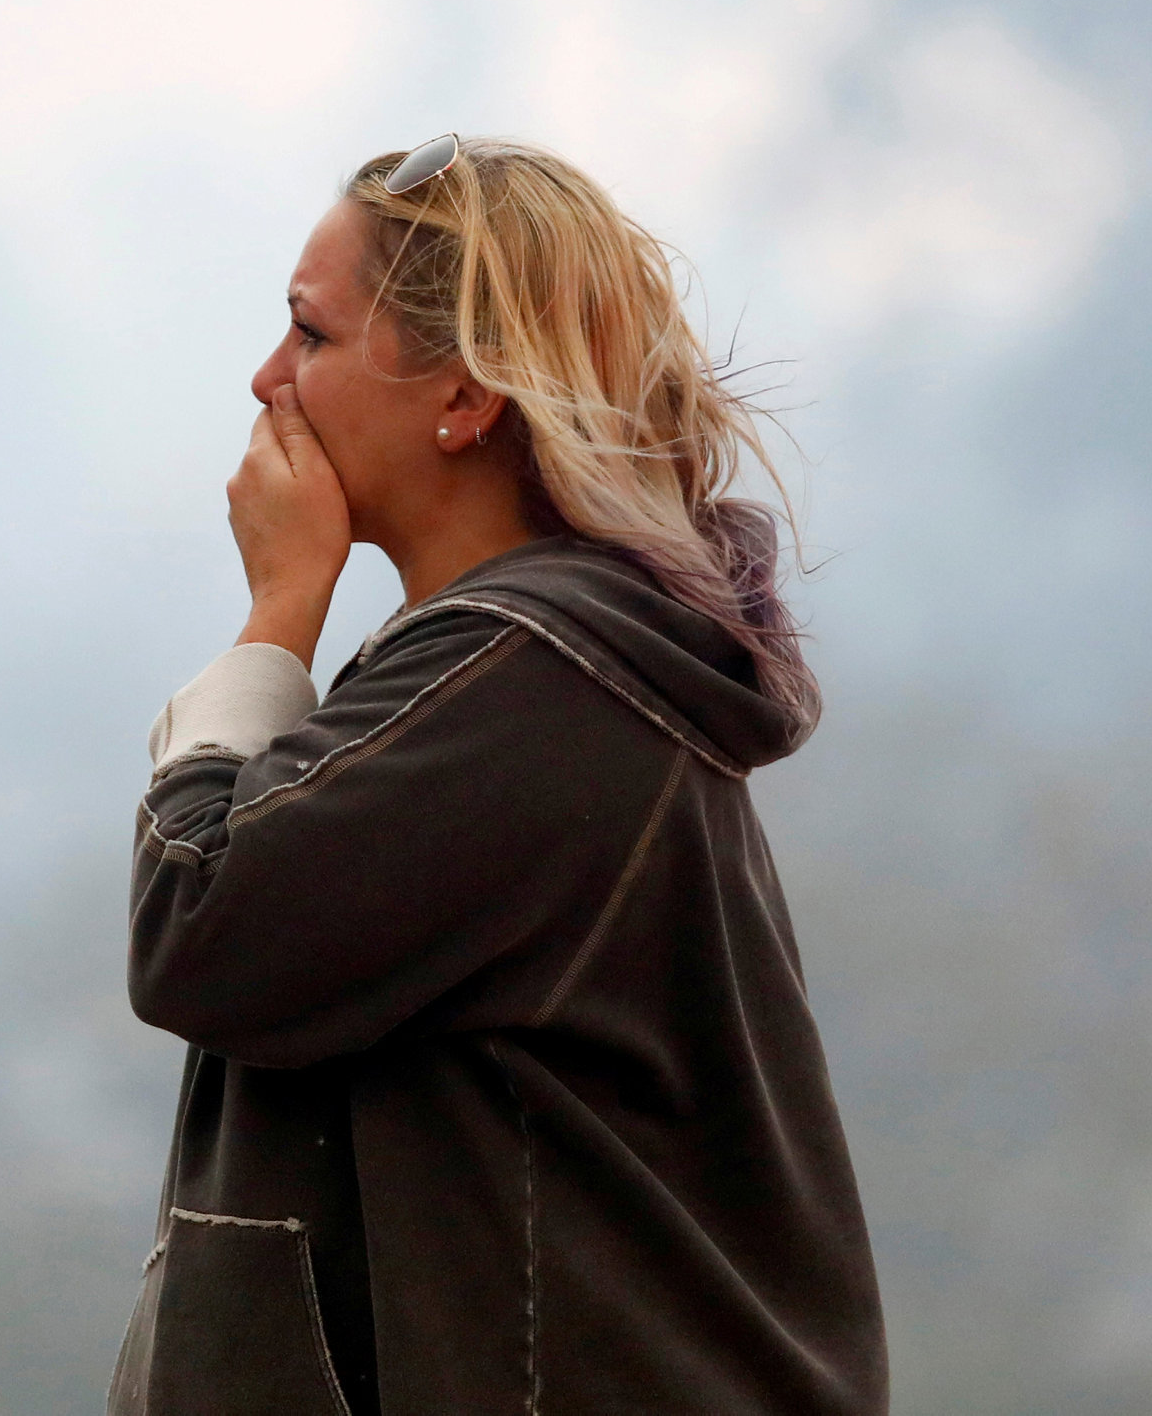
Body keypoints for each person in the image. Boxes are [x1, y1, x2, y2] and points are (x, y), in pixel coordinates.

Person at [111, 135, 889, 1416]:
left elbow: (200, 927)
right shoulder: (526, 659)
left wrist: (278, 615)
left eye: (310, 332)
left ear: (465, 397)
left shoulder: (534, 674)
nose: (266, 379)